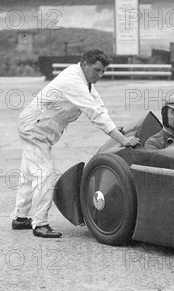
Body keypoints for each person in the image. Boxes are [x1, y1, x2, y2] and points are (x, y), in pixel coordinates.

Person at [10, 48, 140, 238]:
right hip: (34, 129)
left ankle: (20, 218)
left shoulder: (86, 82)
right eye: (97, 70)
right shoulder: (73, 81)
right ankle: (40, 225)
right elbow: (93, 113)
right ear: (85, 64)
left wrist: (117, 130)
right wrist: (123, 140)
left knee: (29, 175)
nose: (100, 75)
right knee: (46, 174)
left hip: (40, 129)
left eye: (103, 71)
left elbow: (99, 106)